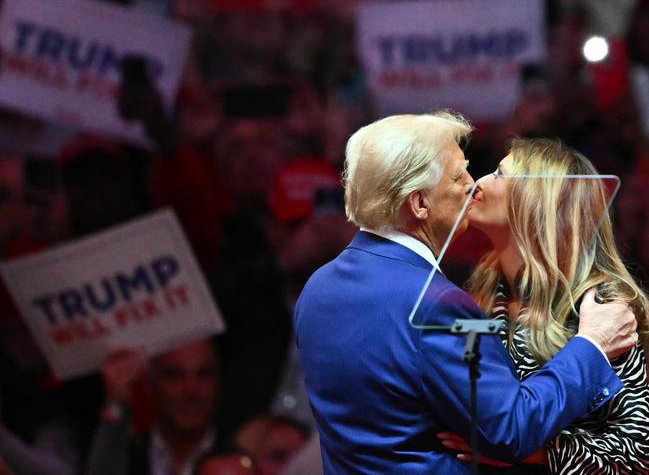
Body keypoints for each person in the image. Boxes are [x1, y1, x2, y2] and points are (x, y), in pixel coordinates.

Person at [294, 111, 638, 473]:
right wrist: (593, 345)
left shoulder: (317, 287)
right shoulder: (438, 303)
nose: (474, 184)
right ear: (420, 204)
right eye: (459, 176)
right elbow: (510, 430)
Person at [441, 138, 649, 473]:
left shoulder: (599, 303)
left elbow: (639, 450)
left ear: (536, 201)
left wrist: (535, 451)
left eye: (499, 173)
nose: (478, 182)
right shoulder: (485, 292)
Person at [85, 339, 220, 475]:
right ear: (149, 385)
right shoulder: (128, 456)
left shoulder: (237, 453)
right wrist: (116, 402)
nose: (191, 389)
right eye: (174, 375)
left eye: (204, 374)